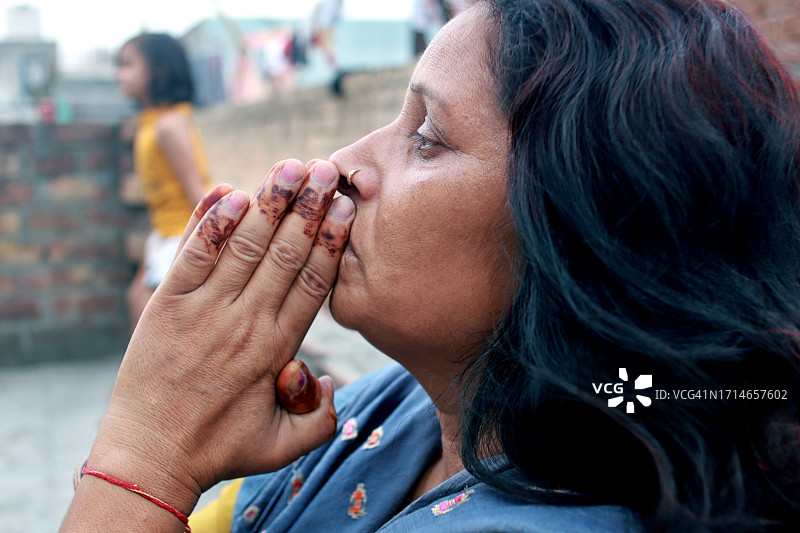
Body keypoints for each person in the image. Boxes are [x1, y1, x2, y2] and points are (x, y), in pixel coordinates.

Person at [62, 0, 800, 531]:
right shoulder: (399, 410)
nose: (343, 164)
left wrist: (143, 457)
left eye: (427, 137)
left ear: (582, 232)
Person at [117, 33, 214, 329]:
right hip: (162, 232)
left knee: (149, 315)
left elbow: (197, 189)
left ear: (158, 69)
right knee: (137, 300)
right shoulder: (151, 123)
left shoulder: (168, 126)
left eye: (128, 64)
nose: (119, 74)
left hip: (179, 234)